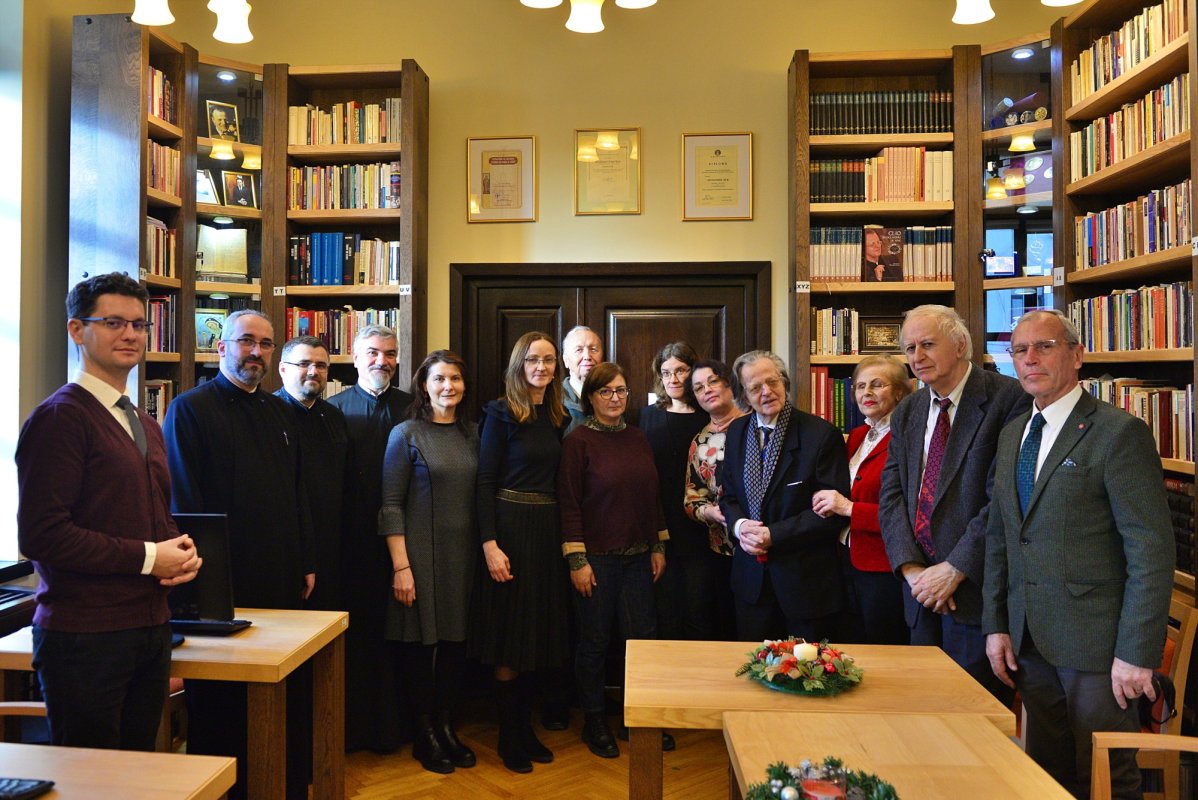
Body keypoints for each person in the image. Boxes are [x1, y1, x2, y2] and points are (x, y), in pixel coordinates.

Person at [983, 310, 1173, 799]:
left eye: (1044, 347)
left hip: (1098, 646)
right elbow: (1003, 536)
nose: (1030, 360)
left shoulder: (1118, 433)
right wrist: (996, 624)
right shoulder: (1013, 435)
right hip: (1029, 639)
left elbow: (1150, 550)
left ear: (1076, 354)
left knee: (1107, 777)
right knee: (1045, 774)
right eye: (1019, 350)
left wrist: (1136, 654)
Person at [16, 272, 201, 751]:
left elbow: (148, 514)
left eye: (140, 325)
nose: (132, 335)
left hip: (151, 628)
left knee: (137, 773)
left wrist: (179, 551)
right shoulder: (61, 417)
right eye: (115, 322)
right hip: (85, 637)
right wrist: (147, 557)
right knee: (93, 782)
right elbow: (42, 535)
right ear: (77, 330)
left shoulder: (141, 419)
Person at [163, 308, 314, 800]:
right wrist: (204, 582)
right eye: (246, 341)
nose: (256, 352)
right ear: (221, 346)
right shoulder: (189, 410)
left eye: (266, 344)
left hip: (281, 580)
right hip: (220, 584)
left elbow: (297, 495)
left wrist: (305, 560)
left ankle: (280, 786)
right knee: (222, 706)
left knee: (281, 695)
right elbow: (185, 506)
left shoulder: (280, 411)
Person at [878, 304, 1029, 702]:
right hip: (920, 595)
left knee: (973, 722)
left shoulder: (1008, 399)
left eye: (927, 344)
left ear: (961, 344)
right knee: (924, 716)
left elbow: (1004, 499)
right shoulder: (908, 409)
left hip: (976, 596)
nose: (917, 357)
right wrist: (912, 570)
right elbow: (891, 494)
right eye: (909, 349)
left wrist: (954, 568)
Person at [558, 361, 668, 759]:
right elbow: (569, 505)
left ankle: (633, 716)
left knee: (641, 642)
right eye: (606, 391)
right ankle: (594, 719)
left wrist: (658, 546)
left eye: (621, 390)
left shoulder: (638, 438)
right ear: (591, 397)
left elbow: (651, 496)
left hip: (640, 558)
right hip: (596, 561)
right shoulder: (578, 441)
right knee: (594, 642)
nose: (616, 398)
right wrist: (577, 561)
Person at [472, 331, 570, 773]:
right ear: (519, 364)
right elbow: (485, 483)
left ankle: (526, 728)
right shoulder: (499, 413)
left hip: (546, 533)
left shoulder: (557, 415)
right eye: (533, 359)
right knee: (511, 638)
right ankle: (509, 734)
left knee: (538, 637)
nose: (542, 367)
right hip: (509, 530)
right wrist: (489, 544)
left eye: (549, 360)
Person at [380, 351, 479, 774]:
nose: (448, 386)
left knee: (456, 645)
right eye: (439, 379)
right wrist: (401, 567)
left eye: (455, 379)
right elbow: (389, 506)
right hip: (418, 555)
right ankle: (425, 735)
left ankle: (446, 726)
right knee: (421, 646)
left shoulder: (474, 435)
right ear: (424, 385)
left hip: (465, 556)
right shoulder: (405, 434)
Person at [719, 350, 850, 643]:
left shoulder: (821, 434)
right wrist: (740, 527)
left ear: (785, 382)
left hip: (804, 585)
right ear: (744, 395)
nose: (766, 392)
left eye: (772, 382)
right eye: (755, 387)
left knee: (806, 677)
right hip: (751, 583)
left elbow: (829, 514)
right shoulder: (738, 431)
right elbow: (728, 496)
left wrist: (772, 535)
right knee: (752, 673)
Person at [326, 324, 413, 752]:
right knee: (358, 637)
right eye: (374, 353)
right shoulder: (332, 410)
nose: (383, 361)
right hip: (351, 544)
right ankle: (354, 728)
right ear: (356, 358)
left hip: (407, 542)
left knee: (402, 638)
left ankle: (399, 729)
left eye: (391, 353)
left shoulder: (415, 407)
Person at [812, 355, 911, 645]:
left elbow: (907, 513)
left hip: (884, 564)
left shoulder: (907, 438)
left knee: (884, 648)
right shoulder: (857, 435)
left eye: (877, 385)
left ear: (900, 392)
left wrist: (847, 508)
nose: (866, 392)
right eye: (860, 386)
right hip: (846, 558)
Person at [639, 342, 711, 640]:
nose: (672, 378)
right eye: (665, 372)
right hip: (658, 524)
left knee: (698, 609)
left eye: (680, 370)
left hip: (698, 525)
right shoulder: (647, 416)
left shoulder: (708, 415)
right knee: (663, 609)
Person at [275, 335, 351, 611]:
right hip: (288, 548)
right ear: (283, 368)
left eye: (321, 365)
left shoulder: (334, 416)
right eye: (304, 363)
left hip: (331, 543)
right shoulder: (269, 415)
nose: (313, 371)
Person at [682, 358, 748, 640]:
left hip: (764, 545)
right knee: (725, 627)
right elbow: (691, 497)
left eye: (712, 381)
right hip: (722, 549)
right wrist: (708, 512)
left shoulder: (757, 424)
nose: (706, 390)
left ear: (729, 383)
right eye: (698, 388)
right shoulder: (700, 441)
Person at [561, 325, 602, 433]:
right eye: (579, 350)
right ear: (566, 360)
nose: (587, 356)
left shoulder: (613, 396)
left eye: (593, 349)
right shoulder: (554, 399)